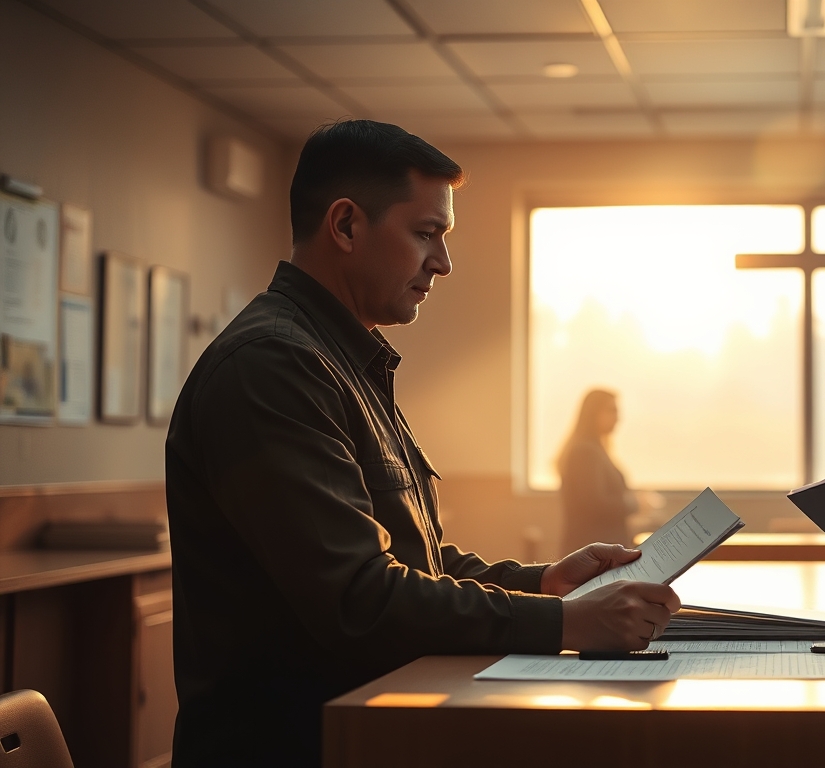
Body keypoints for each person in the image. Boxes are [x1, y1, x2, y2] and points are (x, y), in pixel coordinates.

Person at [165, 120, 680, 767]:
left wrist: (545, 584)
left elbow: (417, 566)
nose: (443, 262)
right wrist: (568, 623)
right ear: (347, 226)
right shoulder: (272, 365)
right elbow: (362, 600)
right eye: (426, 233)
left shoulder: (344, 361)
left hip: (369, 729)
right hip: (296, 746)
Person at [558, 389, 638, 553]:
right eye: (612, 410)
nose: (618, 418)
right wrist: (635, 503)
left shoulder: (596, 449)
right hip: (594, 552)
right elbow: (594, 504)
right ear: (593, 413)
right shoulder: (585, 452)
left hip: (601, 549)